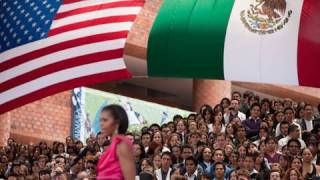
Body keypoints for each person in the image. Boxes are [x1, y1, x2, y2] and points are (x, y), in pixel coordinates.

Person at [96, 105, 135, 180]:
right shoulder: (113, 145)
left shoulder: (122, 144)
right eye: (100, 120)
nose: (101, 124)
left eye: (105, 120)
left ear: (117, 122)